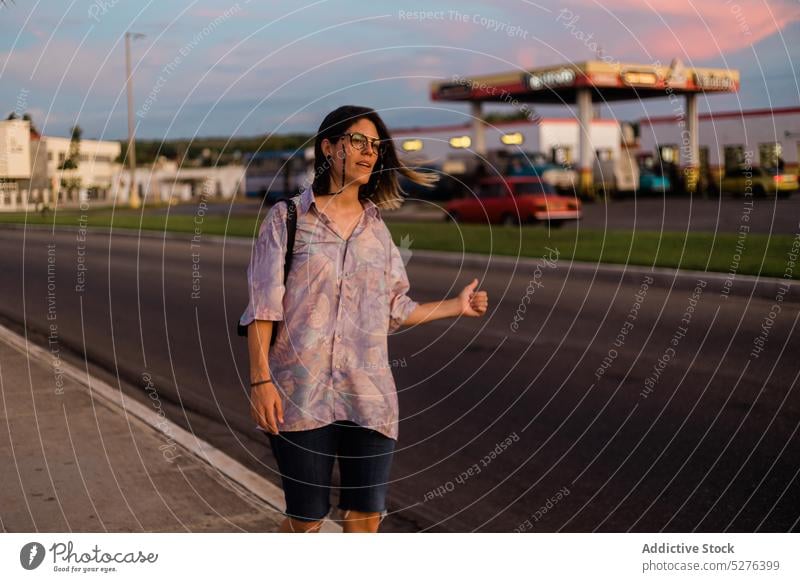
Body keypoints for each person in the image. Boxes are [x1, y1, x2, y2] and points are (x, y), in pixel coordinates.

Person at [240, 105, 489, 533]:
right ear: (329, 147)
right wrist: (261, 381)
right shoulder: (288, 220)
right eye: (358, 141)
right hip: (298, 395)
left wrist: (456, 305)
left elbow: (397, 308)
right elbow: (264, 307)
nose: (369, 152)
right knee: (306, 520)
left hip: (369, 396)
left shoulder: (378, 232)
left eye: (376, 145)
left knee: (366, 518)